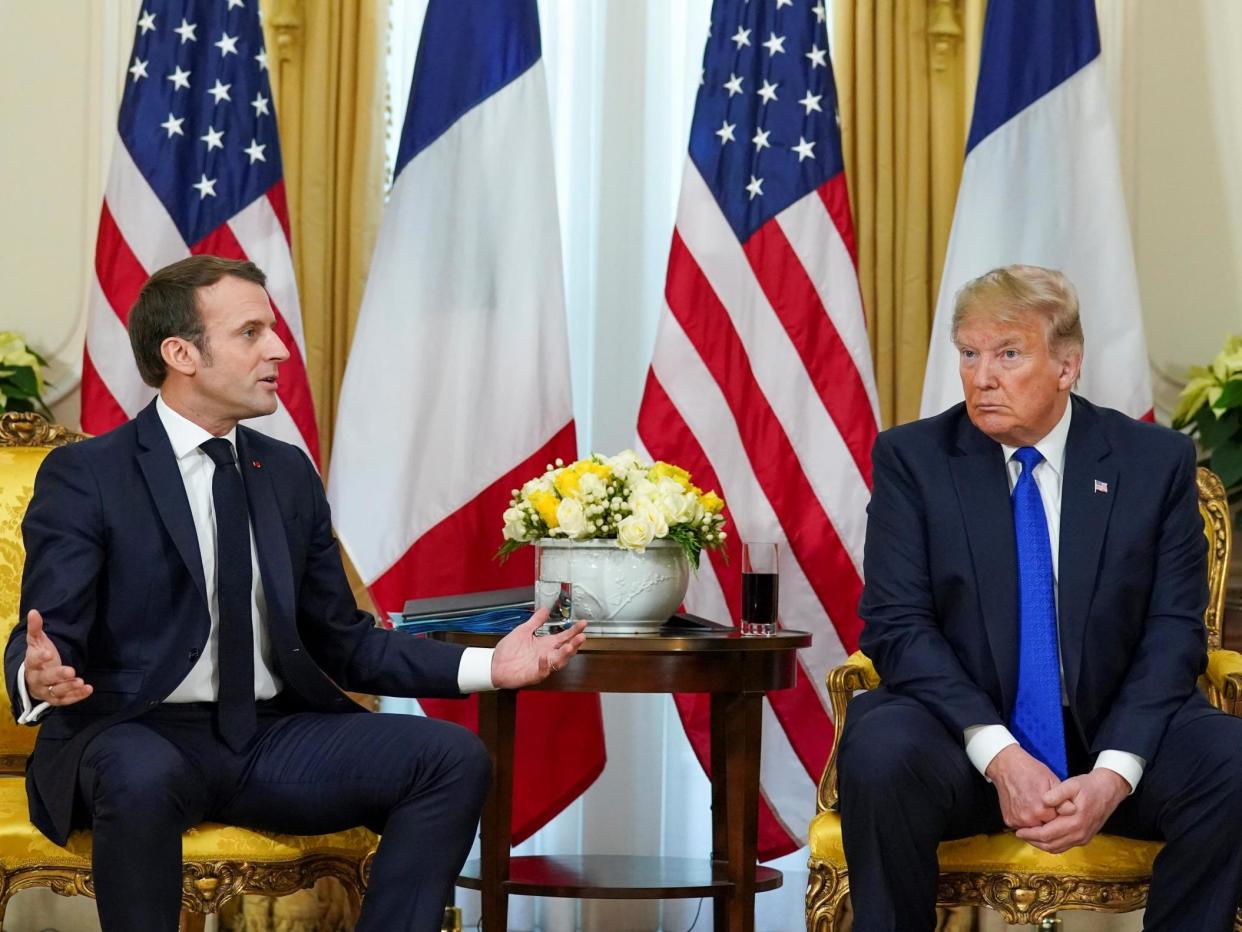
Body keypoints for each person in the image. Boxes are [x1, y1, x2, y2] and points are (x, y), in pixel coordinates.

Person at [4, 255, 587, 932]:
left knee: (449, 758)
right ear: (180, 353)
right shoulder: (89, 474)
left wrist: (491, 666)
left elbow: (341, 637)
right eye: (251, 333)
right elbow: (50, 630)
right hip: (134, 731)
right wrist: (38, 675)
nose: (279, 349)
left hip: (264, 739)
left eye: (272, 330)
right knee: (141, 775)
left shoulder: (284, 473)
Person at [838, 265, 1242, 931]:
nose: (981, 377)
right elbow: (896, 625)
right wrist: (999, 754)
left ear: (1066, 366)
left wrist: (1114, 774)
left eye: (1008, 354)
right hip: (962, 740)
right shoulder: (915, 459)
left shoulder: (1151, 462)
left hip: (1112, 730)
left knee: (1231, 761)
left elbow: (1173, 634)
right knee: (880, 748)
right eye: (969, 354)